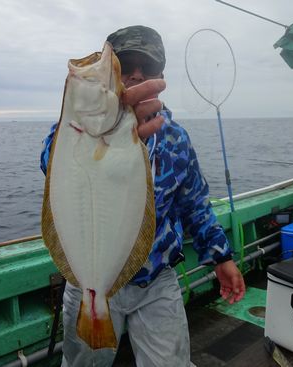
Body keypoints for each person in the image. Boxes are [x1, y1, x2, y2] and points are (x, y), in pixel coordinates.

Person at [40, 25, 245, 367]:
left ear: (160, 76)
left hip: (156, 278)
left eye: (146, 68)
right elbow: (50, 163)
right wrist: (100, 134)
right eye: (127, 64)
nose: (136, 74)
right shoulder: (75, 131)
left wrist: (221, 256)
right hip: (89, 276)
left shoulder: (175, 139)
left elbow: (195, 204)